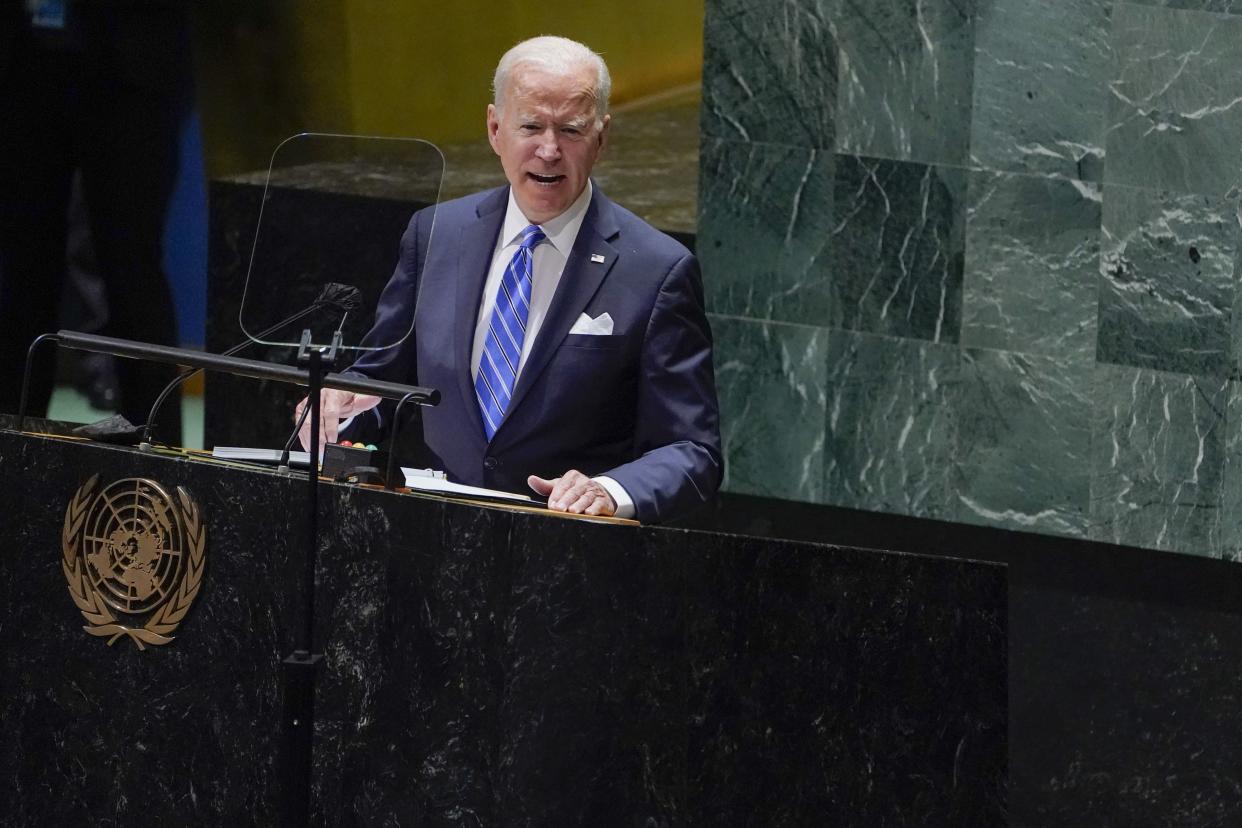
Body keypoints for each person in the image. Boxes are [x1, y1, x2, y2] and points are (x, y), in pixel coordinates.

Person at [298, 35, 721, 523]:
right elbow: (379, 382)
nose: (549, 149)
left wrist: (609, 490)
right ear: (495, 128)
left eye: (571, 130)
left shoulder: (656, 269)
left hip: (568, 557)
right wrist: (336, 408)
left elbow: (693, 451)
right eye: (530, 126)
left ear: (602, 139)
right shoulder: (435, 234)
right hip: (431, 541)